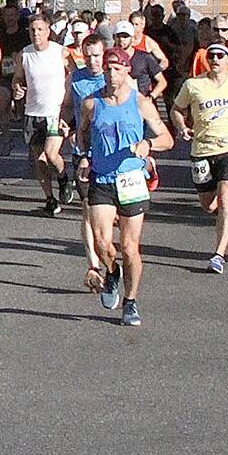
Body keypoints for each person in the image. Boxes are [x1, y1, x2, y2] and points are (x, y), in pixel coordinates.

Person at [75, 46, 174, 326]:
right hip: (102, 178)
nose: (111, 74)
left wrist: (148, 144)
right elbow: (82, 134)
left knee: (130, 248)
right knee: (102, 243)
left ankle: (130, 302)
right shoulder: (91, 103)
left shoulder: (140, 102)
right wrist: (84, 156)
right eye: (108, 69)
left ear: (127, 71)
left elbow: (168, 139)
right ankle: (111, 271)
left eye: (117, 69)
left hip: (131, 180)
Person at [170, 42, 228, 274]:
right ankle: (226, 194)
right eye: (211, 55)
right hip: (202, 149)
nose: (215, 59)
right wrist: (181, 126)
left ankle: (218, 255)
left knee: (225, 198)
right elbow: (176, 109)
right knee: (208, 205)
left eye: (220, 55)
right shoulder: (193, 85)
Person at [61, 34, 108, 288]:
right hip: (84, 152)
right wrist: (67, 125)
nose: (92, 61)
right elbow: (67, 106)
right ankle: (93, 265)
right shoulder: (76, 78)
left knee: (109, 214)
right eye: (88, 56)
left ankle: (108, 250)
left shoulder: (114, 77)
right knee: (88, 208)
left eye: (96, 56)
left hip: (111, 153)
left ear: (104, 54)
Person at [13, 15, 72, 215]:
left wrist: (70, 104)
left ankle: (63, 177)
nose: (36, 33)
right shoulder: (24, 54)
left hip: (55, 112)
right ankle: (50, 198)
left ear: (48, 31)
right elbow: (18, 78)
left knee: (51, 153)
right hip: (33, 112)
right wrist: (17, 88)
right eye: (32, 30)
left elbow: (74, 75)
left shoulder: (60, 51)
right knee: (39, 159)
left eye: (40, 29)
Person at [0, 4, 30, 156]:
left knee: (26, 111)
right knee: (1, 104)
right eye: (7, 15)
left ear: (17, 16)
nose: (9, 18)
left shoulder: (25, 34)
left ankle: (31, 145)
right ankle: (7, 139)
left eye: (12, 15)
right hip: (5, 75)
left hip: (24, 77)